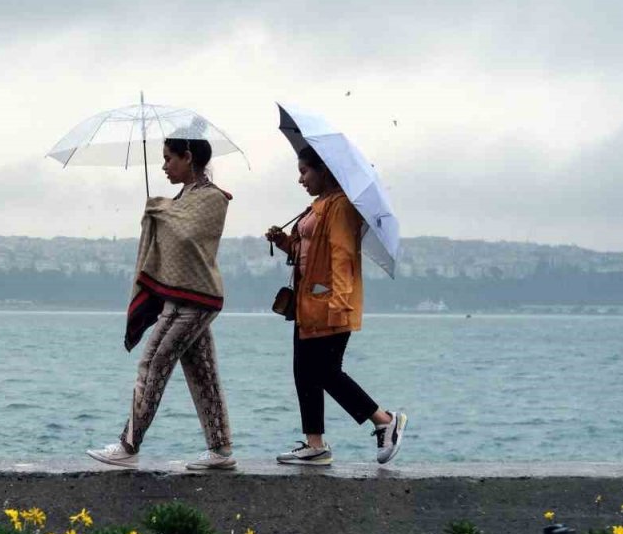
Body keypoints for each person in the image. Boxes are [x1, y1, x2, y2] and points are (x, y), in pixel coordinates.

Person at [87, 137, 235, 470]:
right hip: (185, 298)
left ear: (188, 157)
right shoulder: (181, 199)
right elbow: (175, 229)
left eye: (169, 158)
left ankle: (128, 445)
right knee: (203, 373)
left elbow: (187, 233)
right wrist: (162, 210)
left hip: (191, 299)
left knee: (152, 365)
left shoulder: (212, 198)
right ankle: (221, 450)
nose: (164, 166)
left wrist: (160, 209)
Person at [265, 146, 406, 465]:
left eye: (304, 171)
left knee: (326, 372)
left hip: (329, 302)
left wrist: (339, 302)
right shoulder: (319, 204)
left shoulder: (340, 205)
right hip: (308, 302)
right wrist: (284, 242)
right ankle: (315, 444)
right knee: (304, 372)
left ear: (324, 170)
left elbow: (342, 256)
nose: (300, 179)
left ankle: (385, 421)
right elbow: (310, 253)